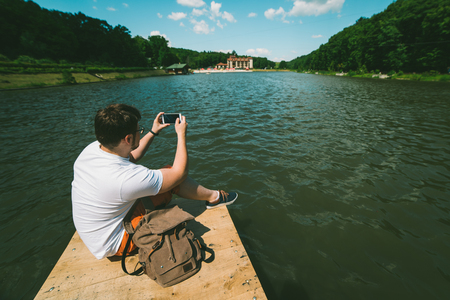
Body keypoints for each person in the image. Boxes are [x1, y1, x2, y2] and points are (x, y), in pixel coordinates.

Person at [71, 104, 237, 260]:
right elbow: (179, 173)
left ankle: (212, 197)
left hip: (96, 234)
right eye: (139, 130)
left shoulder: (94, 149)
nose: (140, 132)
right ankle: (215, 198)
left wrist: (153, 131)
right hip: (116, 243)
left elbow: (132, 156)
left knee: (162, 178)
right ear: (128, 139)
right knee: (171, 177)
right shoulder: (125, 179)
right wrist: (181, 134)